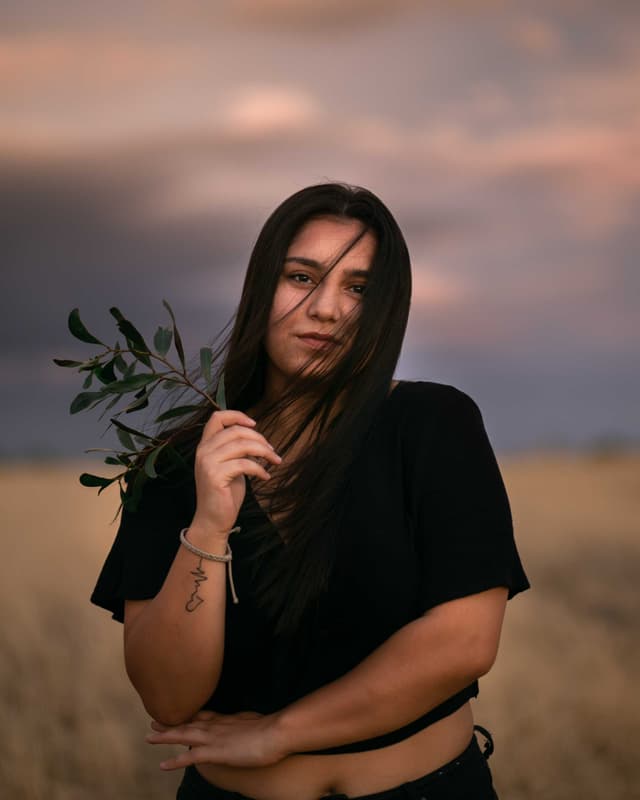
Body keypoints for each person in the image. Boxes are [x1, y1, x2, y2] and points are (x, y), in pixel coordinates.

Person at [91, 182, 529, 800]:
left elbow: (464, 642)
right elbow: (167, 696)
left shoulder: (433, 424)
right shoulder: (179, 464)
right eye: (301, 277)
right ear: (260, 287)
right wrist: (210, 525)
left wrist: (280, 733)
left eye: (358, 289)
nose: (327, 309)